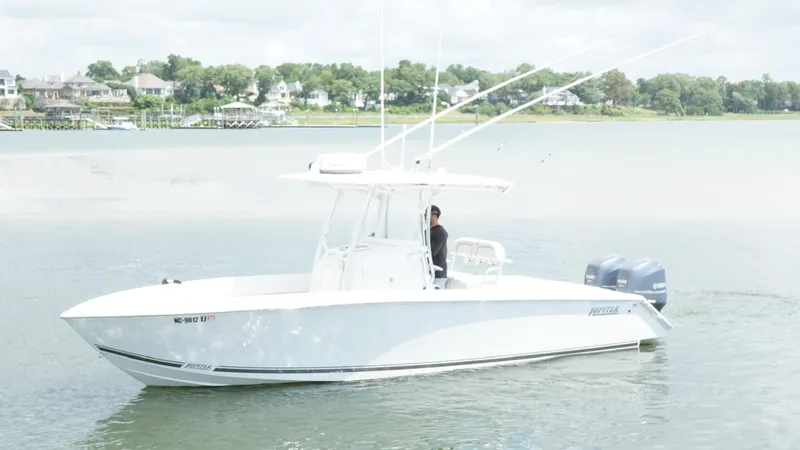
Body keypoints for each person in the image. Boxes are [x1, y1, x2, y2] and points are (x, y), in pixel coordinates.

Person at [428, 205, 449, 289]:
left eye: (427, 215)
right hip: (430, 274)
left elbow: (432, 252)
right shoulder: (429, 232)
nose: (424, 218)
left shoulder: (439, 232)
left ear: (434, 216)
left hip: (438, 275)